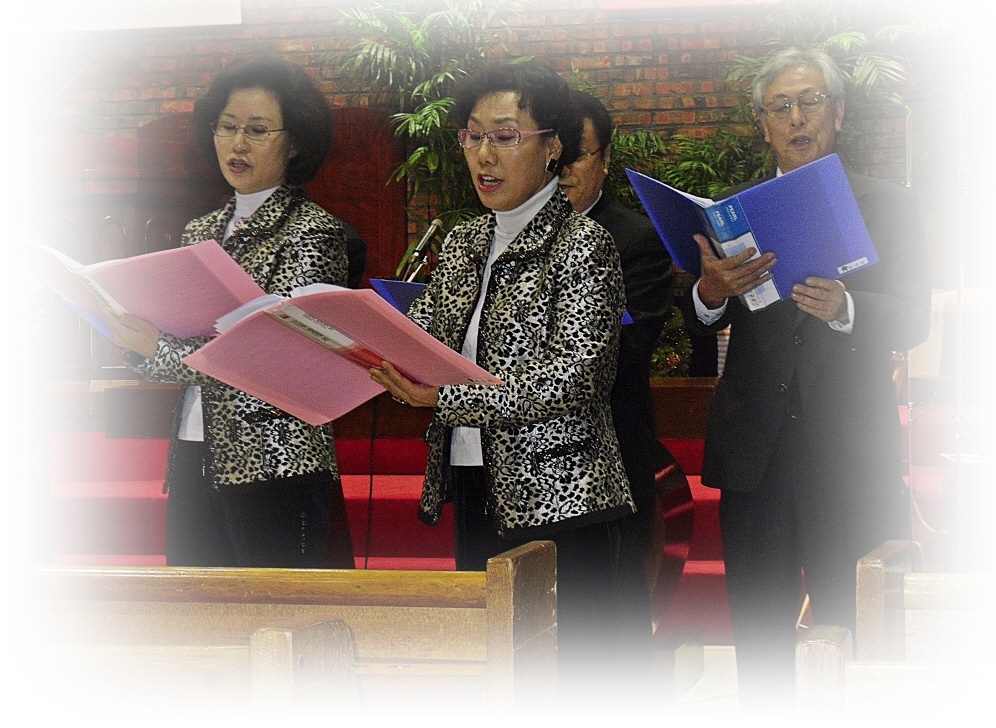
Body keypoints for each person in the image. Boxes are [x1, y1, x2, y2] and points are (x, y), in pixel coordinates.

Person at [367, 62, 635, 705]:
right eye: (473, 135)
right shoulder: (463, 242)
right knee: (499, 674)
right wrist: (362, 338)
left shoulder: (583, 244)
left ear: (552, 147)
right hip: (473, 478)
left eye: (506, 136)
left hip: (561, 499)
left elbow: (574, 379)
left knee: (569, 681)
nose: (484, 154)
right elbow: (428, 341)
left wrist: (446, 398)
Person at [679, 47, 930, 708]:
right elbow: (697, 322)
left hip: (847, 455)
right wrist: (709, 291)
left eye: (810, 101)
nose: (797, 117)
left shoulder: (888, 204)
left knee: (850, 628)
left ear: (837, 113)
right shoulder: (729, 214)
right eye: (780, 106)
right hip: (755, 456)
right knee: (759, 633)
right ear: (763, 125)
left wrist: (848, 309)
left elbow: (914, 318)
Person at [101, 57, 353, 569]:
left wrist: (160, 350)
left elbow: (278, 354)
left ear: (294, 142)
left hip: (276, 461)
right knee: (199, 607)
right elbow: (179, 335)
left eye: (257, 131)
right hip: (195, 448)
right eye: (227, 127)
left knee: (274, 609)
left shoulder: (313, 232)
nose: (238, 144)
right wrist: (136, 338)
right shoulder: (201, 230)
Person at [559, 89, 675, 691]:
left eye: (577, 155)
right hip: (513, 464)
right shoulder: (500, 238)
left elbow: (625, 353)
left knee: (609, 634)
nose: (562, 169)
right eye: (553, 153)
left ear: (605, 159)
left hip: (606, 461)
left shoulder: (635, 239)